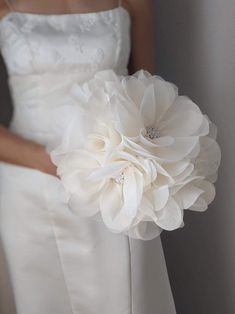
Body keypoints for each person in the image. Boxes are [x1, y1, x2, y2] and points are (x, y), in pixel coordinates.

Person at [0, 0, 176, 313]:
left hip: (117, 179)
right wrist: (51, 161)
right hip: (30, 183)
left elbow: (148, 93)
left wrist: (143, 155)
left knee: (128, 297)